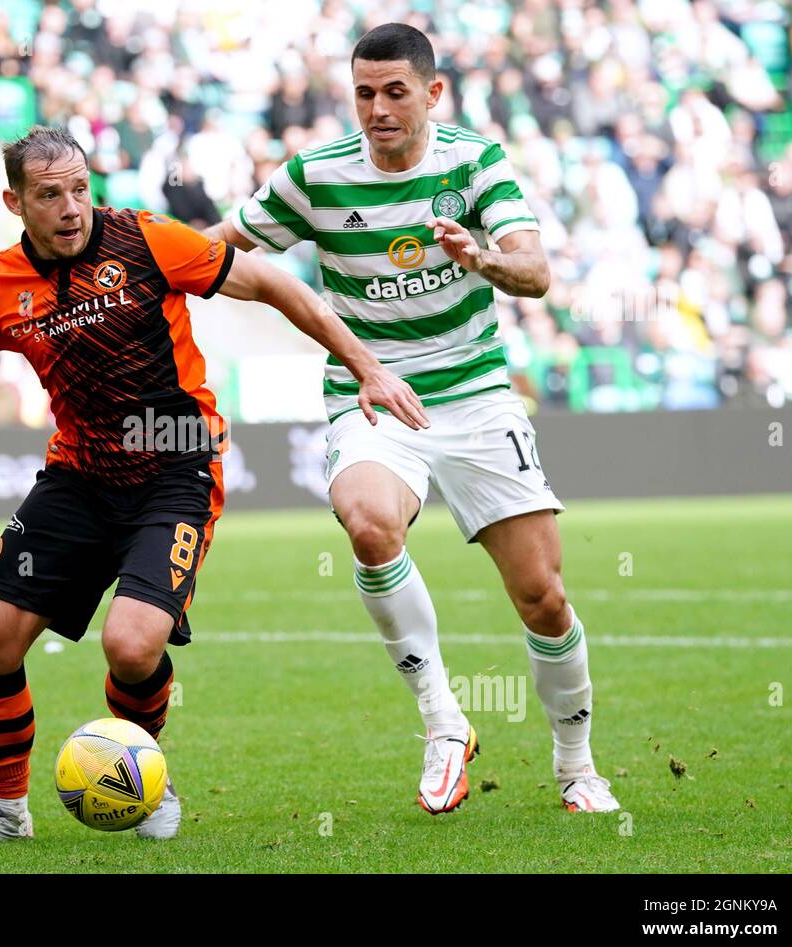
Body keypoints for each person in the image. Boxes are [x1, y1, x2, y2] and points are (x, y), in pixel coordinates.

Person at [0, 125, 420, 845]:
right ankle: (5, 812)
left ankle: (146, 778)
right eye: (50, 194)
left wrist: (367, 365)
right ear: (15, 201)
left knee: (130, 645)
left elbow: (272, 282)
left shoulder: (148, 241)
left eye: (80, 189)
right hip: (79, 475)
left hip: (175, 468)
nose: (70, 207)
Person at [206, 23, 620, 814]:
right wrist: (136, 268)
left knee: (542, 595)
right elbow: (220, 251)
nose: (378, 108)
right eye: (364, 92)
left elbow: (534, 272)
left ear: (433, 92)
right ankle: (443, 723)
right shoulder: (314, 175)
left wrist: (482, 257)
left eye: (395, 91)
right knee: (367, 522)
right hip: (372, 396)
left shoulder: (474, 161)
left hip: (475, 395)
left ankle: (576, 767)